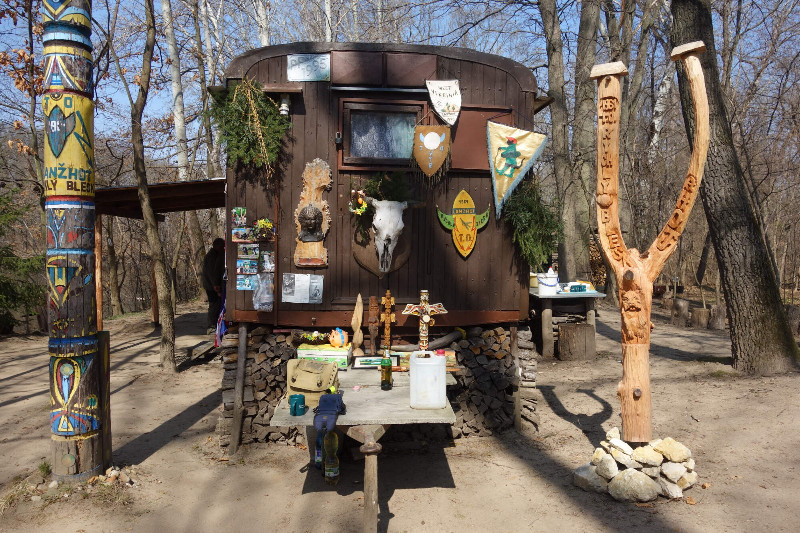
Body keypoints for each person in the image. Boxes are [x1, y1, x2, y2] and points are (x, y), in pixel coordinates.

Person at [202, 238, 225, 333]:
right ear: (217, 246)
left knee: (216, 305)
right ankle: (211, 326)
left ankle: (214, 324)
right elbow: (212, 273)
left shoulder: (215, 255)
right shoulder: (212, 256)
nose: (223, 248)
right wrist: (216, 286)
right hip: (211, 286)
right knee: (214, 306)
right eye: (222, 246)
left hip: (212, 285)